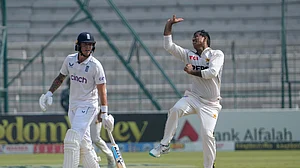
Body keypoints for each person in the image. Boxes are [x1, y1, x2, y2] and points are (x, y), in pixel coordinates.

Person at [149, 15, 224, 168]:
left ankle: (209, 166)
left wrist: (192, 71)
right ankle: (164, 145)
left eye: (197, 37)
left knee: (207, 134)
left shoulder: (216, 54)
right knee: (175, 109)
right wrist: (169, 24)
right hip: (193, 97)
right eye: (193, 38)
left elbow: (212, 72)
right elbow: (168, 46)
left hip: (211, 104)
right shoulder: (189, 55)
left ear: (205, 38)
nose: (193, 39)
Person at [39, 32, 114, 168]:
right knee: (84, 144)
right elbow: (60, 78)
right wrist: (49, 93)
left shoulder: (95, 66)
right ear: (78, 45)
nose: (88, 47)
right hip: (73, 106)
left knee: (72, 138)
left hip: (89, 106)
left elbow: (102, 90)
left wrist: (104, 113)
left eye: (90, 45)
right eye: (85, 44)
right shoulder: (70, 60)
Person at [60, 78, 116, 168]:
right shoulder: (74, 90)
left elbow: (102, 97)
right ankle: (86, 161)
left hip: (95, 112)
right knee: (81, 139)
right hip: (80, 114)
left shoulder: (92, 84)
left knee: (95, 138)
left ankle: (110, 157)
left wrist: (102, 113)